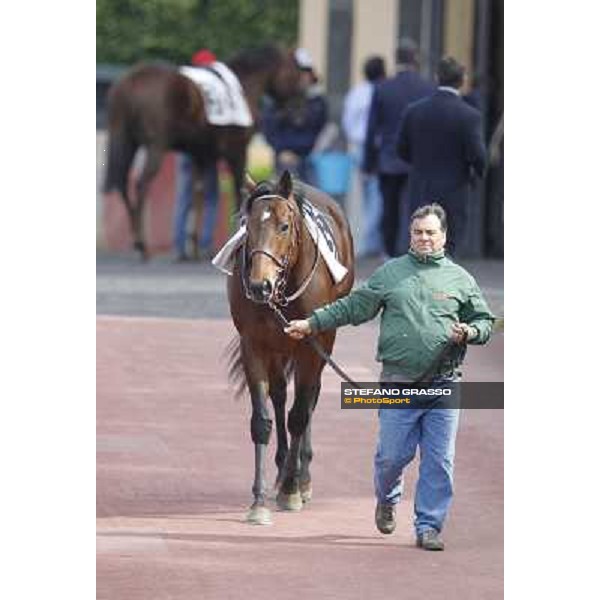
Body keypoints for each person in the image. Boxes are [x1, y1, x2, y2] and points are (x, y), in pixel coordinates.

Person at [284, 203, 495, 550]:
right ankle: (387, 497)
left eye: (430, 233)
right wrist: (311, 323)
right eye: (418, 233)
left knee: (440, 462)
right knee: (391, 457)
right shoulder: (391, 273)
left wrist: (471, 331)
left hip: (445, 384)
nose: (424, 239)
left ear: (444, 236)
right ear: (410, 235)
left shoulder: (461, 279)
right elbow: (353, 307)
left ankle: (428, 526)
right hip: (398, 383)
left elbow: (486, 321)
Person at [396, 57, 487, 257]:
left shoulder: (414, 111)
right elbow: (478, 156)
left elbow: (401, 149)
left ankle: (420, 284)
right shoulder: (469, 116)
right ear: (463, 80)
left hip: (421, 187)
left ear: (437, 78)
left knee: (420, 242)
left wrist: (420, 165)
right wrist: (475, 175)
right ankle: (442, 285)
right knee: (448, 245)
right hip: (454, 191)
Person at [363, 38, 434, 258]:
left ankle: (390, 253)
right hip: (418, 161)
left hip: (389, 160)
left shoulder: (383, 88)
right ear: (416, 58)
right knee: (417, 208)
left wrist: (369, 162)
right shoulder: (427, 88)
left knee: (389, 210)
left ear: (396, 59)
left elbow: (372, 129)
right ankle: (416, 251)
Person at [172, 48, 220, 262]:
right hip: (207, 149)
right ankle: (205, 244)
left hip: (185, 150)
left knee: (184, 198)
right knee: (210, 198)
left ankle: (179, 246)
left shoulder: (183, 89)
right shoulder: (216, 90)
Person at [342, 55, 386, 258]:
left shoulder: (356, 93)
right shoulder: (383, 92)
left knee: (360, 197)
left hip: (357, 146)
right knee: (377, 195)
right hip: (377, 147)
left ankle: (363, 241)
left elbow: (347, 122)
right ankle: (371, 241)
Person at [262, 48, 328, 185]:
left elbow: (317, 131)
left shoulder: (317, 101)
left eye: (304, 72)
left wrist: (297, 151)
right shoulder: (276, 101)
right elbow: (269, 129)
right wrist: (282, 150)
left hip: (308, 160)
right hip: (283, 160)